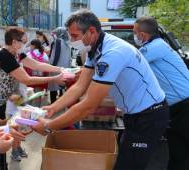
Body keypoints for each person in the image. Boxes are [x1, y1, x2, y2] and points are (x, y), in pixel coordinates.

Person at [33, 9, 169, 170]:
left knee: (128, 166)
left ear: (91, 31)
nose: (71, 40)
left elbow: (89, 105)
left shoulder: (112, 53)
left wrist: (50, 125)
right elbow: (79, 86)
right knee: (124, 160)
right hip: (135, 114)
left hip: (149, 116)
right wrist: (52, 108)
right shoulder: (95, 49)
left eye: (75, 36)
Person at [133, 16, 189, 170]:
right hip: (175, 108)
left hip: (185, 105)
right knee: (178, 154)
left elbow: (129, 62)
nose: (135, 36)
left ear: (142, 35)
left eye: (134, 32)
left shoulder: (155, 47)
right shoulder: (156, 46)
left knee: (182, 152)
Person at [0, 27, 65, 121]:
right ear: (14, 42)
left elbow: (36, 64)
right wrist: (54, 79)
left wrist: (61, 69)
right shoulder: (5, 56)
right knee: (0, 128)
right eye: (24, 42)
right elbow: (26, 79)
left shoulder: (16, 53)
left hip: (5, 99)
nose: (26, 45)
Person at [49, 27, 72, 103]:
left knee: (53, 86)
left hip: (56, 67)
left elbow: (56, 55)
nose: (53, 35)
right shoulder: (68, 43)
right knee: (62, 85)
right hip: (65, 67)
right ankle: (61, 102)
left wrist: (52, 66)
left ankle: (53, 103)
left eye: (55, 34)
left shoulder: (58, 41)